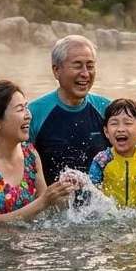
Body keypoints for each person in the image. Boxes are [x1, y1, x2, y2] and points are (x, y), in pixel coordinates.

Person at [0, 79, 74, 225]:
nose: (28, 115)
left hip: (26, 242)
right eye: (19, 109)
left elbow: (46, 211)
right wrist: (43, 202)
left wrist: (63, 192)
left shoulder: (30, 154)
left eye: (26, 107)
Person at [28, 35, 110, 184]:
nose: (85, 73)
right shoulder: (33, 113)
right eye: (77, 66)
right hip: (51, 204)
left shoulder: (107, 110)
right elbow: (17, 165)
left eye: (90, 66)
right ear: (56, 70)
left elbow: (130, 158)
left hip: (102, 205)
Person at [87, 97, 136, 209]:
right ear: (106, 132)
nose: (121, 129)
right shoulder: (102, 160)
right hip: (109, 217)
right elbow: (91, 194)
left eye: (128, 123)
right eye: (114, 123)